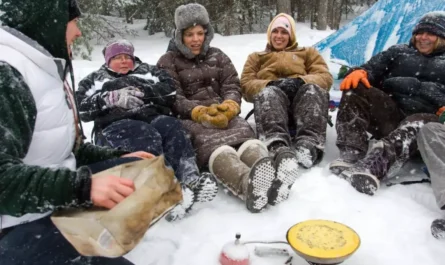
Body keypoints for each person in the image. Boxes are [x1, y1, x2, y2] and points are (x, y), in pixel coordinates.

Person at [0, 0, 157, 264]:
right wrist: (83, 187)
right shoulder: (8, 74)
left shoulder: (47, 67)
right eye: (73, 23)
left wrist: (120, 155)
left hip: (57, 191)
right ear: (46, 21)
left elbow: (70, 148)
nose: (79, 32)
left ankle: (108, 227)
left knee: (136, 168)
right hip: (19, 218)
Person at [157, 3, 299, 213]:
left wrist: (231, 104)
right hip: (192, 118)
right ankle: (247, 186)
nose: (196, 39)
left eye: (200, 33)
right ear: (180, 36)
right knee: (218, 148)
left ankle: (273, 180)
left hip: (224, 113)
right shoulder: (167, 61)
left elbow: (231, 83)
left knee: (247, 140)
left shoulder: (218, 56)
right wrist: (198, 111)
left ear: (207, 33)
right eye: (190, 35)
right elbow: (172, 96)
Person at [76, 40, 219, 220]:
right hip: (113, 125)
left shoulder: (149, 72)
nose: (123, 61)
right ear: (107, 60)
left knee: (172, 127)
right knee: (144, 135)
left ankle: (189, 179)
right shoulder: (94, 79)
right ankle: (156, 193)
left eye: (127, 57)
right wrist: (109, 99)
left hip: (152, 116)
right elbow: (81, 108)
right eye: (117, 58)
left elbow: (170, 92)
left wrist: (144, 91)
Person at [329, 11, 445, 196]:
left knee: (418, 121)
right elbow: (371, 67)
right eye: (419, 33)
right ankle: (351, 151)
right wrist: (361, 72)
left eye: (430, 33)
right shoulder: (398, 52)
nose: (423, 38)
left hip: (426, 126)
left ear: (441, 37)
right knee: (355, 87)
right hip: (390, 115)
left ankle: (376, 164)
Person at [240, 13, 333, 169]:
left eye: (284, 32)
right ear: (269, 34)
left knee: (312, 90)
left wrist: (300, 82)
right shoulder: (256, 58)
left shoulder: (308, 53)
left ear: (291, 35)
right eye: (275, 31)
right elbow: (246, 85)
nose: (279, 36)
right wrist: (271, 84)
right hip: (272, 109)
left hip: (304, 106)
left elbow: (325, 77)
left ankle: (308, 146)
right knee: (268, 93)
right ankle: (276, 146)